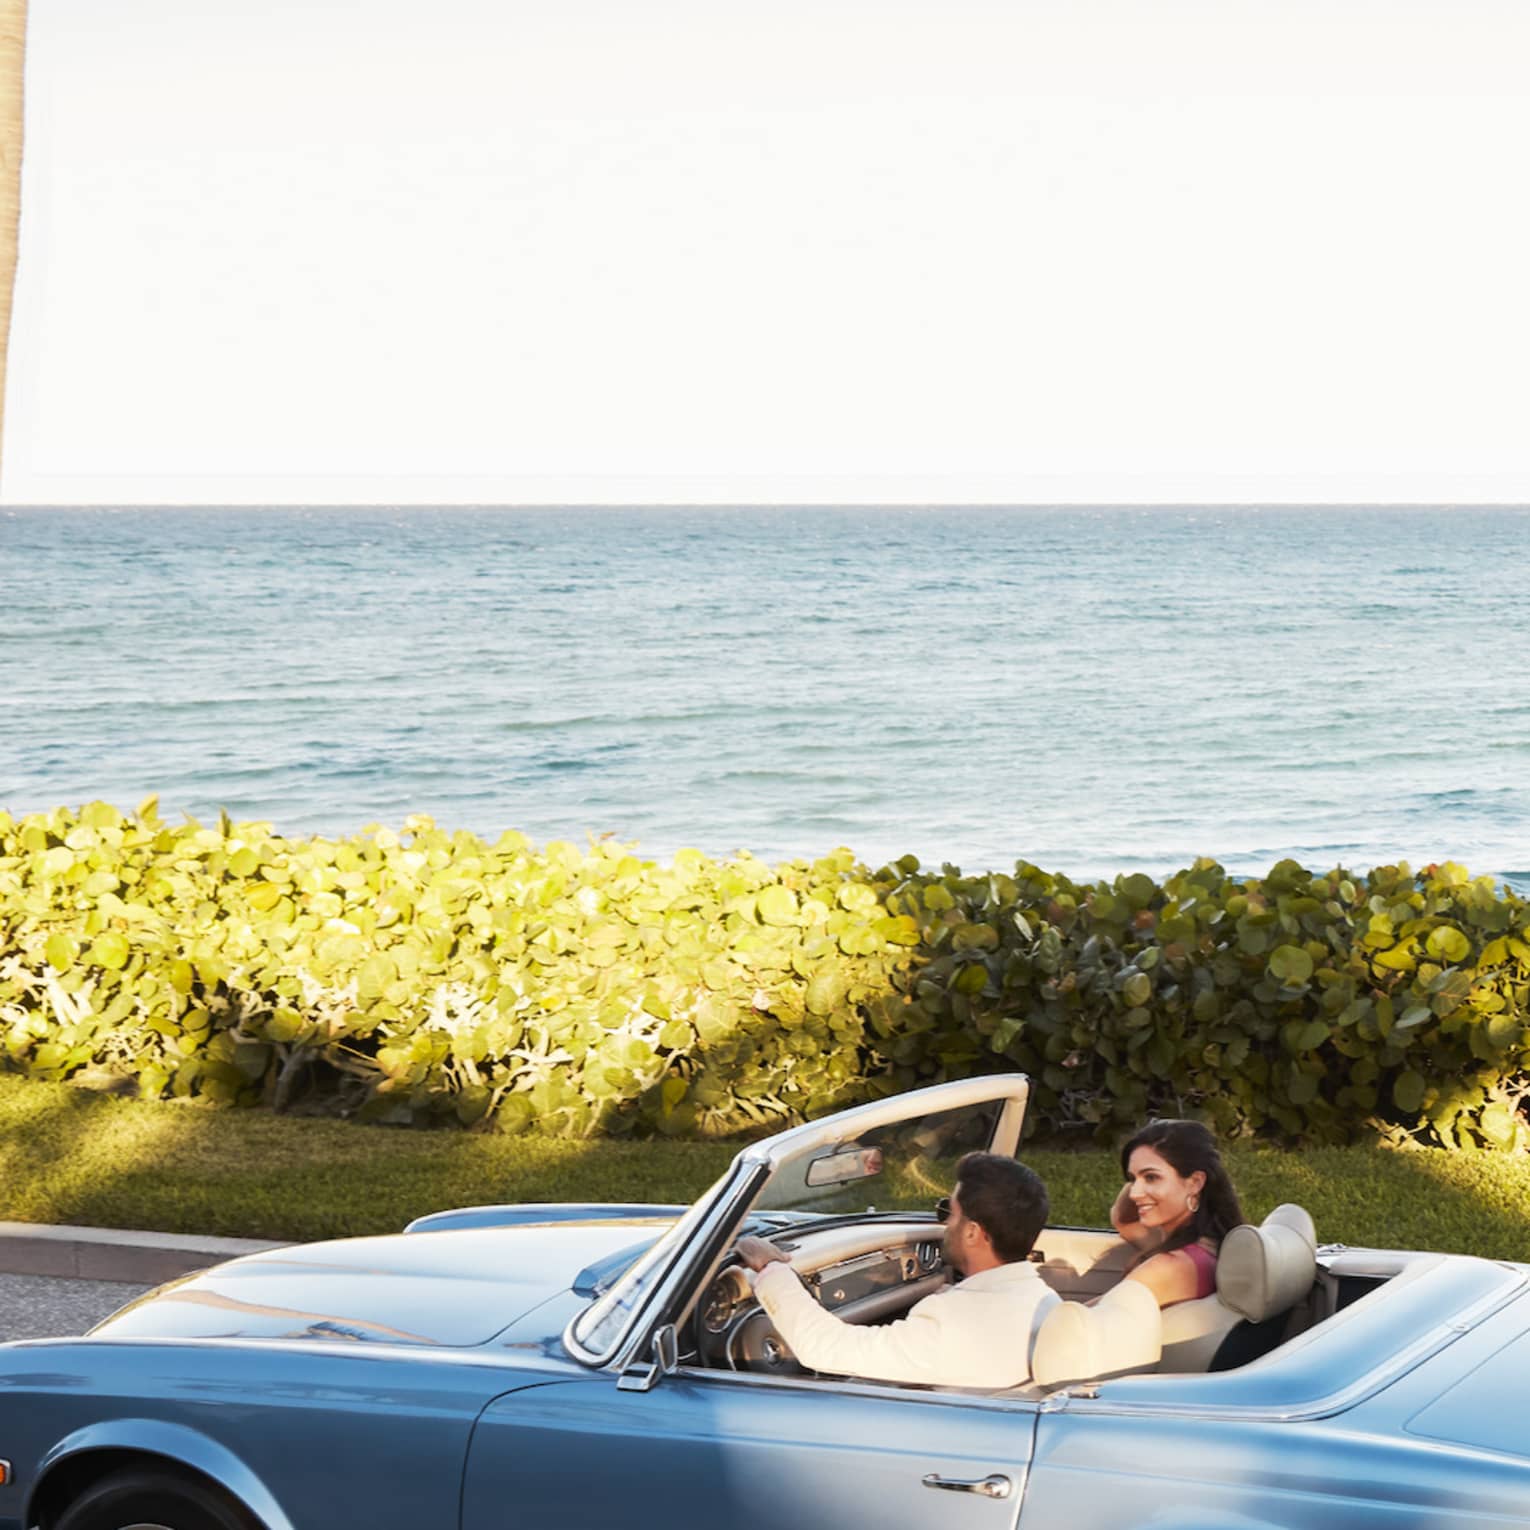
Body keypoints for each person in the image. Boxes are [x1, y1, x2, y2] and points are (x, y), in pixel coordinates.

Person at [734, 1151, 1055, 1389]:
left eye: (949, 1212)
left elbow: (824, 1348)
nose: (942, 1225)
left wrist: (772, 1268)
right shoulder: (1046, 1301)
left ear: (972, 1232)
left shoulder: (953, 1321)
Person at [1110, 1118, 1245, 1307]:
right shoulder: (1210, 1246)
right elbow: (1123, 1220)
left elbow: (1084, 1326)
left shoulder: (1169, 1268)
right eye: (1132, 1179)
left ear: (1195, 1182)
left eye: (1151, 1177)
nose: (1134, 1193)